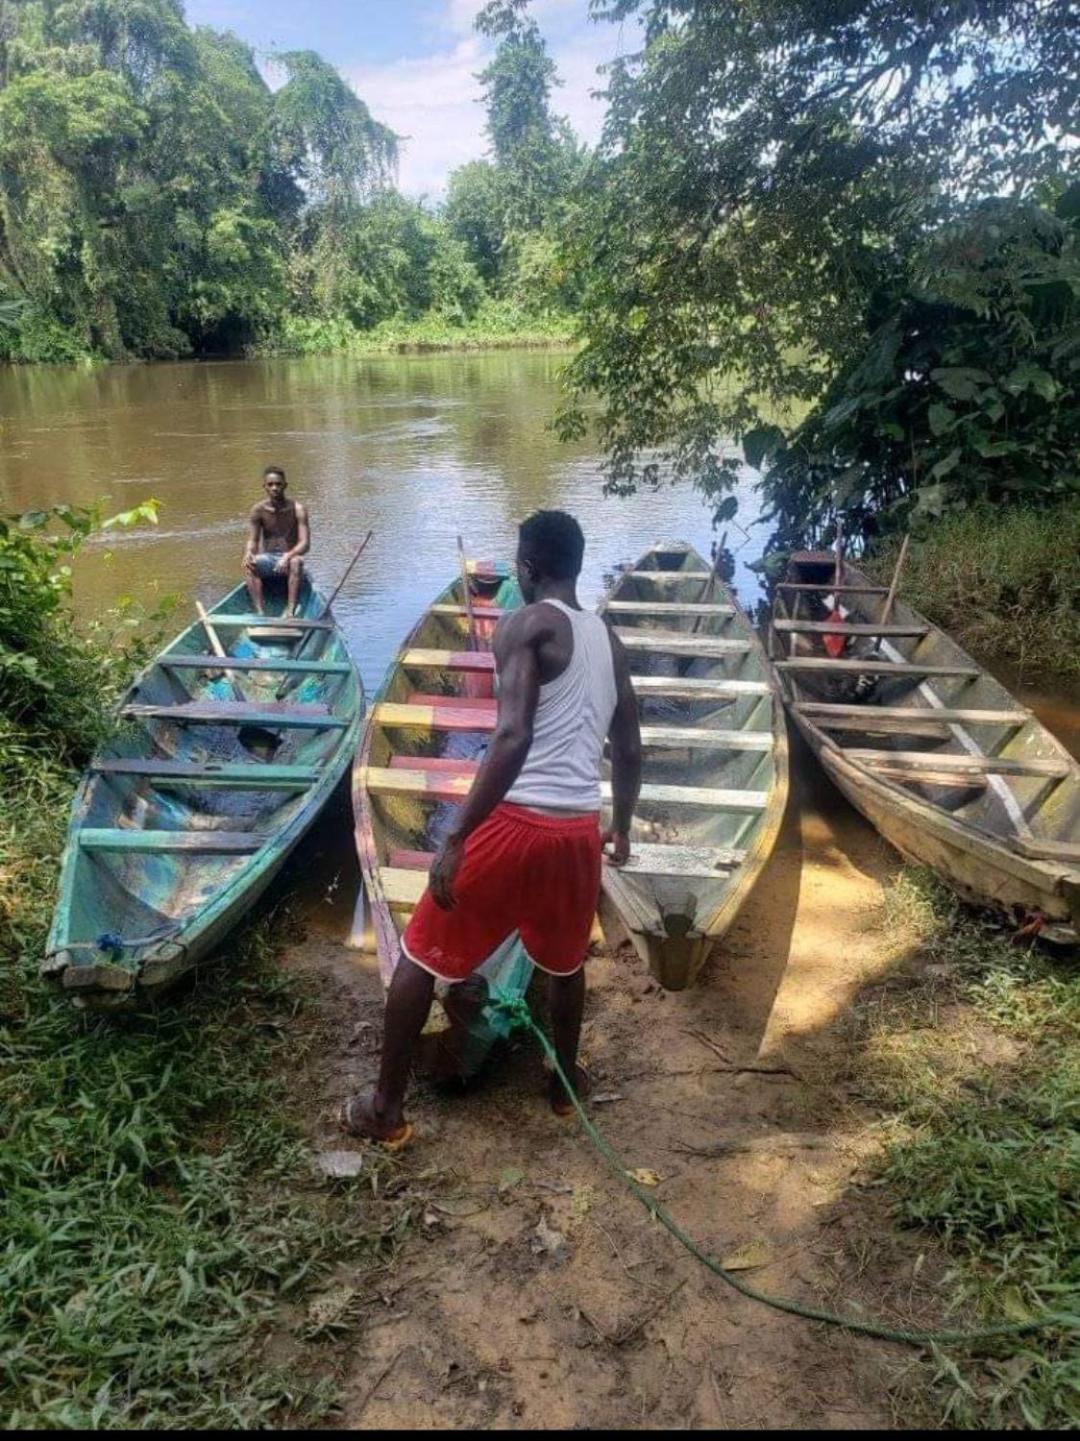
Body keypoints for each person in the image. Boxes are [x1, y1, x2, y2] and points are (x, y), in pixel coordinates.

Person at [341, 510, 643, 1148]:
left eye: (519, 562)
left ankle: (385, 1111)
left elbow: (512, 734)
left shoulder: (524, 624)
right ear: (578, 565)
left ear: (528, 567)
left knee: (420, 954)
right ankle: (563, 1088)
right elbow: (630, 746)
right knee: (564, 966)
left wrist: (456, 835)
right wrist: (623, 828)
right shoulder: (608, 640)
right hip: (577, 832)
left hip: (515, 823)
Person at [242, 466, 310, 616]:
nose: (274, 488)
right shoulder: (258, 510)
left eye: (278, 484)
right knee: (249, 565)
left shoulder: (298, 509)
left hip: (291, 559)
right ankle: (260, 612)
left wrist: (287, 556)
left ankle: (290, 609)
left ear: (285, 485)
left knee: (296, 562)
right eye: (270, 484)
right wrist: (249, 553)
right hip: (269, 559)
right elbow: (253, 540)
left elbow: (305, 544)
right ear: (264, 487)